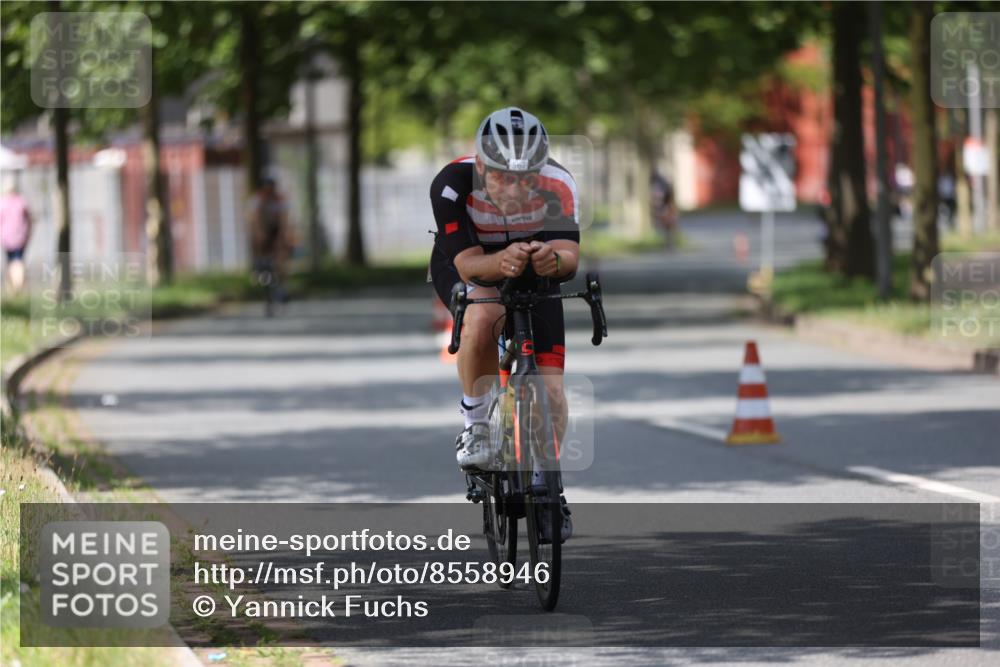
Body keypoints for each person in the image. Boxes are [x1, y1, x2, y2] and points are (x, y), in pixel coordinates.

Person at [428, 107, 579, 539]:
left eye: (526, 178)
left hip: (533, 266)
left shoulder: (559, 183)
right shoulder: (451, 185)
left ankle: (548, 484)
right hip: (470, 262)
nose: (515, 188)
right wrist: (502, 262)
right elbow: (468, 265)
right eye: (502, 178)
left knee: (551, 390)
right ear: (481, 167)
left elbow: (569, 257)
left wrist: (553, 261)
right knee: (483, 315)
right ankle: (476, 425)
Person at [247, 176, 293, 297]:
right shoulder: (257, 199)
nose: (269, 192)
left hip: (275, 229)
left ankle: (283, 286)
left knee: (282, 254)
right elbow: (254, 219)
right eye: (266, 189)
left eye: (271, 189)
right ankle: (257, 266)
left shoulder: (280, 200)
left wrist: (283, 236)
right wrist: (259, 233)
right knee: (255, 240)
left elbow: (284, 220)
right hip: (262, 227)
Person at [0, 176, 32, 294]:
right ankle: (17, 287)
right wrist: (28, 233)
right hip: (20, 237)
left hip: (6, 238)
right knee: (18, 261)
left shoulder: (2, 203)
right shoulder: (21, 201)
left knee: (11, 262)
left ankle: (14, 288)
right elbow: (29, 219)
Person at [650, 170, 678, 248]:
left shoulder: (660, 185)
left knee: (667, 227)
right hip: (664, 208)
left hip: (665, 208)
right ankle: (668, 242)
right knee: (666, 227)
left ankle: (669, 242)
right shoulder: (662, 185)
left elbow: (667, 199)